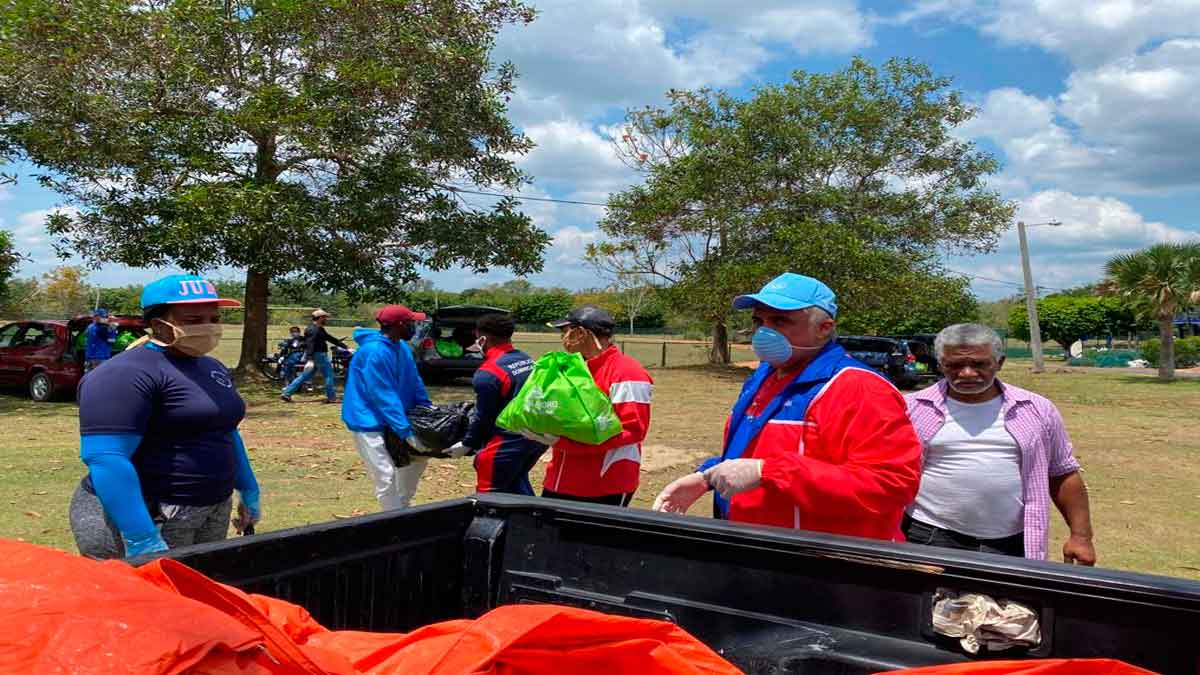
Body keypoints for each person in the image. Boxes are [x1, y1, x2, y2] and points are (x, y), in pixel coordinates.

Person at [652, 273, 922, 541]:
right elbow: (755, 451)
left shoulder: (858, 388)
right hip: (758, 548)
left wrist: (767, 472)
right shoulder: (765, 376)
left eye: (780, 320)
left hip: (823, 563)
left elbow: (891, 485)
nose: (764, 331)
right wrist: (707, 476)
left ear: (824, 328)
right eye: (759, 320)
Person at [68, 274, 261, 559]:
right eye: (194, 320)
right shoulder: (124, 374)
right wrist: (140, 536)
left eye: (213, 317)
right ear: (159, 325)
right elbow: (106, 457)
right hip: (150, 515)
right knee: (141, 602)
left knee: (198, 593)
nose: (208, 327)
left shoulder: (212, 367)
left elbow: (225, 430)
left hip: (211, 506)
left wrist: (248, 489)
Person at [904, 323, 1096, 564]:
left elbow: (1062, 473)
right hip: (929, 535)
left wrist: (1081, 537)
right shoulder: (912, 408)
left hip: (1012, 542)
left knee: (1007, 603)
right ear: (941, 364)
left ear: (999, 362)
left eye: (979, 364)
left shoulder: (1036, 409)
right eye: (954, 365)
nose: (967, 373)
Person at [540, 305, 653, 506]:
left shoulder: (627, 373)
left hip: (603, 483)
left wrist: (567, 443)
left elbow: (632, 431)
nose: (562, 338)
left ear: (582, 333)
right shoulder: (573, 367)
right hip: (560, 478)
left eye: (565, 331)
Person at [342, 305, 435, 510]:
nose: (415, 326)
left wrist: (427, 408)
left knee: (416, 462)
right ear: (399, 325)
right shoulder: (374, 352)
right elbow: (382, 394)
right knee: (385, 473)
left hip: (398, 417)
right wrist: (405, 430)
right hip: (369, 421)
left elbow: (414, 381)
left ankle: (401, 508)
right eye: (412, 322)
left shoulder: (401, 346)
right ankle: (392, 517)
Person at [450, 313, 547, 495]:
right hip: (536, 439)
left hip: (506, 443)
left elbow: (483, 416)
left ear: (482, 338)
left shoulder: (488, 373)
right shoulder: (526, 359)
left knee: (490, 498)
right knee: (516, 482)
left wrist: (467, 443)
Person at [281, 309, 347, 403]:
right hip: (319, 355)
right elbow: (310, 344)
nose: (326, 319)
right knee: (329, 375)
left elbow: (329, 338)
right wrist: (310, 359)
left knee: (305, 376)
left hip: (317, 355)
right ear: (319, 318)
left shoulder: (319, 328)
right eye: (324, 317)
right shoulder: (313, 330)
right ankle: (331, 397)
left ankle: (287, 393)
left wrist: (345, 347)